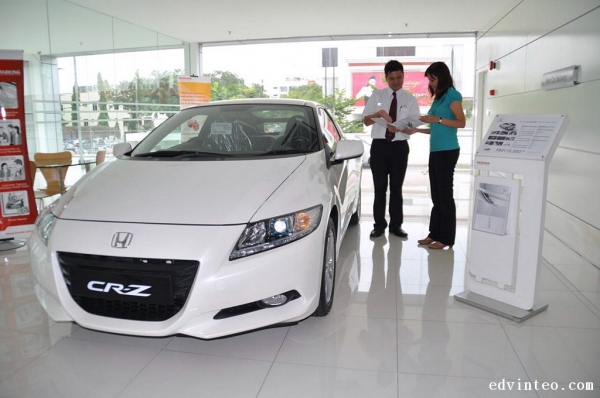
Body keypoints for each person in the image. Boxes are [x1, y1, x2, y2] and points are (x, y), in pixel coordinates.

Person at [405, 61, 465, 249]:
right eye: (429, 80)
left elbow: (461, 122)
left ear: (442, 77)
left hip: (448, 151)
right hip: (436, 150)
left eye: (433, 79)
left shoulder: (452, 95)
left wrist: (436, 118)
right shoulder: (439, 98)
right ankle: (434, 233)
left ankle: (447, 238)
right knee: (437, 195)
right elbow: (437, 128)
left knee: (445, 195)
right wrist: (418, 130)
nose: (430, 83)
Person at [362, 60, 419, 238]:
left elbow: (414, 122)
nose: (396, 81)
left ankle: (396, 226)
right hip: (379, 146)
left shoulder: (410, 99)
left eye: (399, 77)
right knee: (380, 188)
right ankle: (379, 225)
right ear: (385, 78)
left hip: (400, 147)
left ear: (403, 76)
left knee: (397, 188)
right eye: (392, 78)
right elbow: (365, 121)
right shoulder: (376, 96)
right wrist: (377, 114)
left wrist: (410, 129)